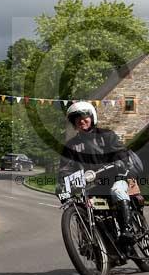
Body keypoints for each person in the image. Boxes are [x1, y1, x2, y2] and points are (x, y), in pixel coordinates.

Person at [58, 101, 135, 247]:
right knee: (84, 209)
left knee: (117, 191)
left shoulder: (106, 135)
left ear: (92, 117)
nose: (81, 120)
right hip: (90, 186)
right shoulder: (71, 146)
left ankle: (127, 230)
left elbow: (120, 151)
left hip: (114, 178)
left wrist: (119, 162)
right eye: (77, 118)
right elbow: (65, 169)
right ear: (74, 122)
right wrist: (61, 185)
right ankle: (95, 244)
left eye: (85, 117)